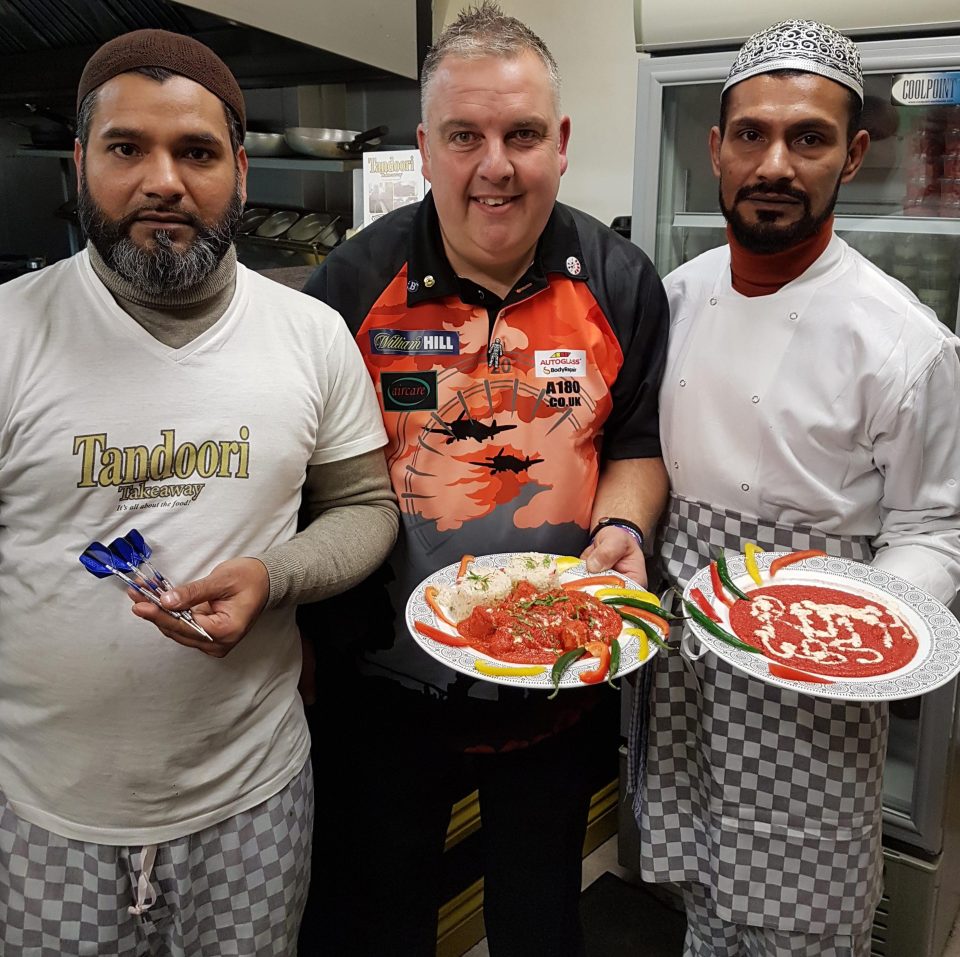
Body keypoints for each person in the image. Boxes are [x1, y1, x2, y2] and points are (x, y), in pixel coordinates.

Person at [0, 29, 398, 957]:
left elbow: (366, 508)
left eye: (197, 151)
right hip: (47, 809)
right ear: (82, 161)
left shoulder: (309, 334)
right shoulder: (12, 334)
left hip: (251, 799)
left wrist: (275, 574)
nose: (163, 181)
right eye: (127, 147)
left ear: (241, 172)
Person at [298, 3, 669, 955]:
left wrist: (620, 535)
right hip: (382, 695)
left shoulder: (621, 280)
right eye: (465, 135)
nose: (494, 165)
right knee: (377, 927)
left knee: (539, 924)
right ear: (425, 148)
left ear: (564, 144)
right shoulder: (347, 288)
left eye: (522, 134)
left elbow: (634, 445)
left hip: (554, 688)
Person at [633, 19, 960, 957]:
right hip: (684, 666)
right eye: (753, 134)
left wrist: (848, 629)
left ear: (852, 155)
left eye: (808, 138)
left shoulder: (903, 341)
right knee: (698, 897)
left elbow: (936, 528)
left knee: (800, 923)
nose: (775, 163)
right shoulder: (678, 294)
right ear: (716, 148)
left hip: (813, 687)